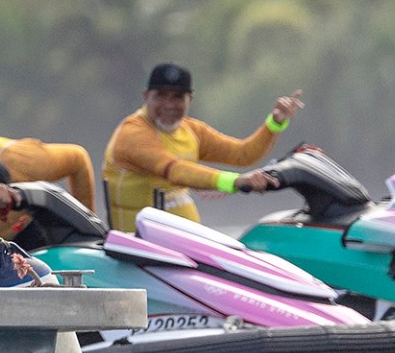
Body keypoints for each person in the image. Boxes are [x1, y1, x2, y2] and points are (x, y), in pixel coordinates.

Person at [105, 63, 306, 232]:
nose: (169, 104)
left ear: (189, 99)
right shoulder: (132, 133)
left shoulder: (191, 130)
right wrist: (235, 181)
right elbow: (175, 170)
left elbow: (242, 155)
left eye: (177, 97)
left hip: (184, 247)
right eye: (161, 95)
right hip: (134, 252)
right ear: (146, 96)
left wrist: (274, 124)